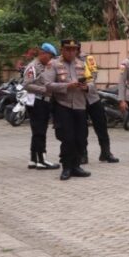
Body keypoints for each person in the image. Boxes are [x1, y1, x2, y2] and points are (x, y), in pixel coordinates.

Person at [48, 39, 93, 181]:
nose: (71, 52)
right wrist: (67, 86)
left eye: (74, 49)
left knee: (81, 138)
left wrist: (87, 87)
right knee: (68, 138)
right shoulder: (53, 64)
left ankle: (76, 166)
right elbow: (48, 85)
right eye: (68, 49)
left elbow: (91, 82)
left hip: (80, 105)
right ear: (62, 50)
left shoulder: (82, 64)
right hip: (63, 105)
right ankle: (66, 167)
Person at [23, 43, 61, 170]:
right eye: (50, 56)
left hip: (43, 101)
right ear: (43, 53)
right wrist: (45, 89)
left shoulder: (46, 66)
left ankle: (33, 159)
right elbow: (27, 85)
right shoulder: (33, 66)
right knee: (40, 131)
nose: (51, 59)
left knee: (37, 131)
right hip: (37, 101)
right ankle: (42, 160)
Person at [82, 52, 119, 164]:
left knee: (101, 125)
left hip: (92, 97)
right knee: (81, 129)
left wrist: (86, 84)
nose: (73, 51)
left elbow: (93, 75)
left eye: (75, 49)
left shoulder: (87, 58)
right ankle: (83, 154)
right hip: (78, 100)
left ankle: (106, 153)